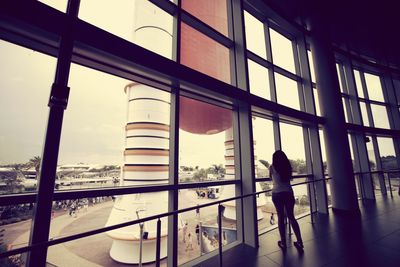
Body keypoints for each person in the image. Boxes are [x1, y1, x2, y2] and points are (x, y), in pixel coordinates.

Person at [270, 150, 303, 250]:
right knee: (291, 217)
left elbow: (270, 178)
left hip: (277, 193)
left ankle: (283, 242)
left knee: (280, 217)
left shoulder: (272, 167)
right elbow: (289, 179)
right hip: (288, 193)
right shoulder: (287, 167)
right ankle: (300, 242)